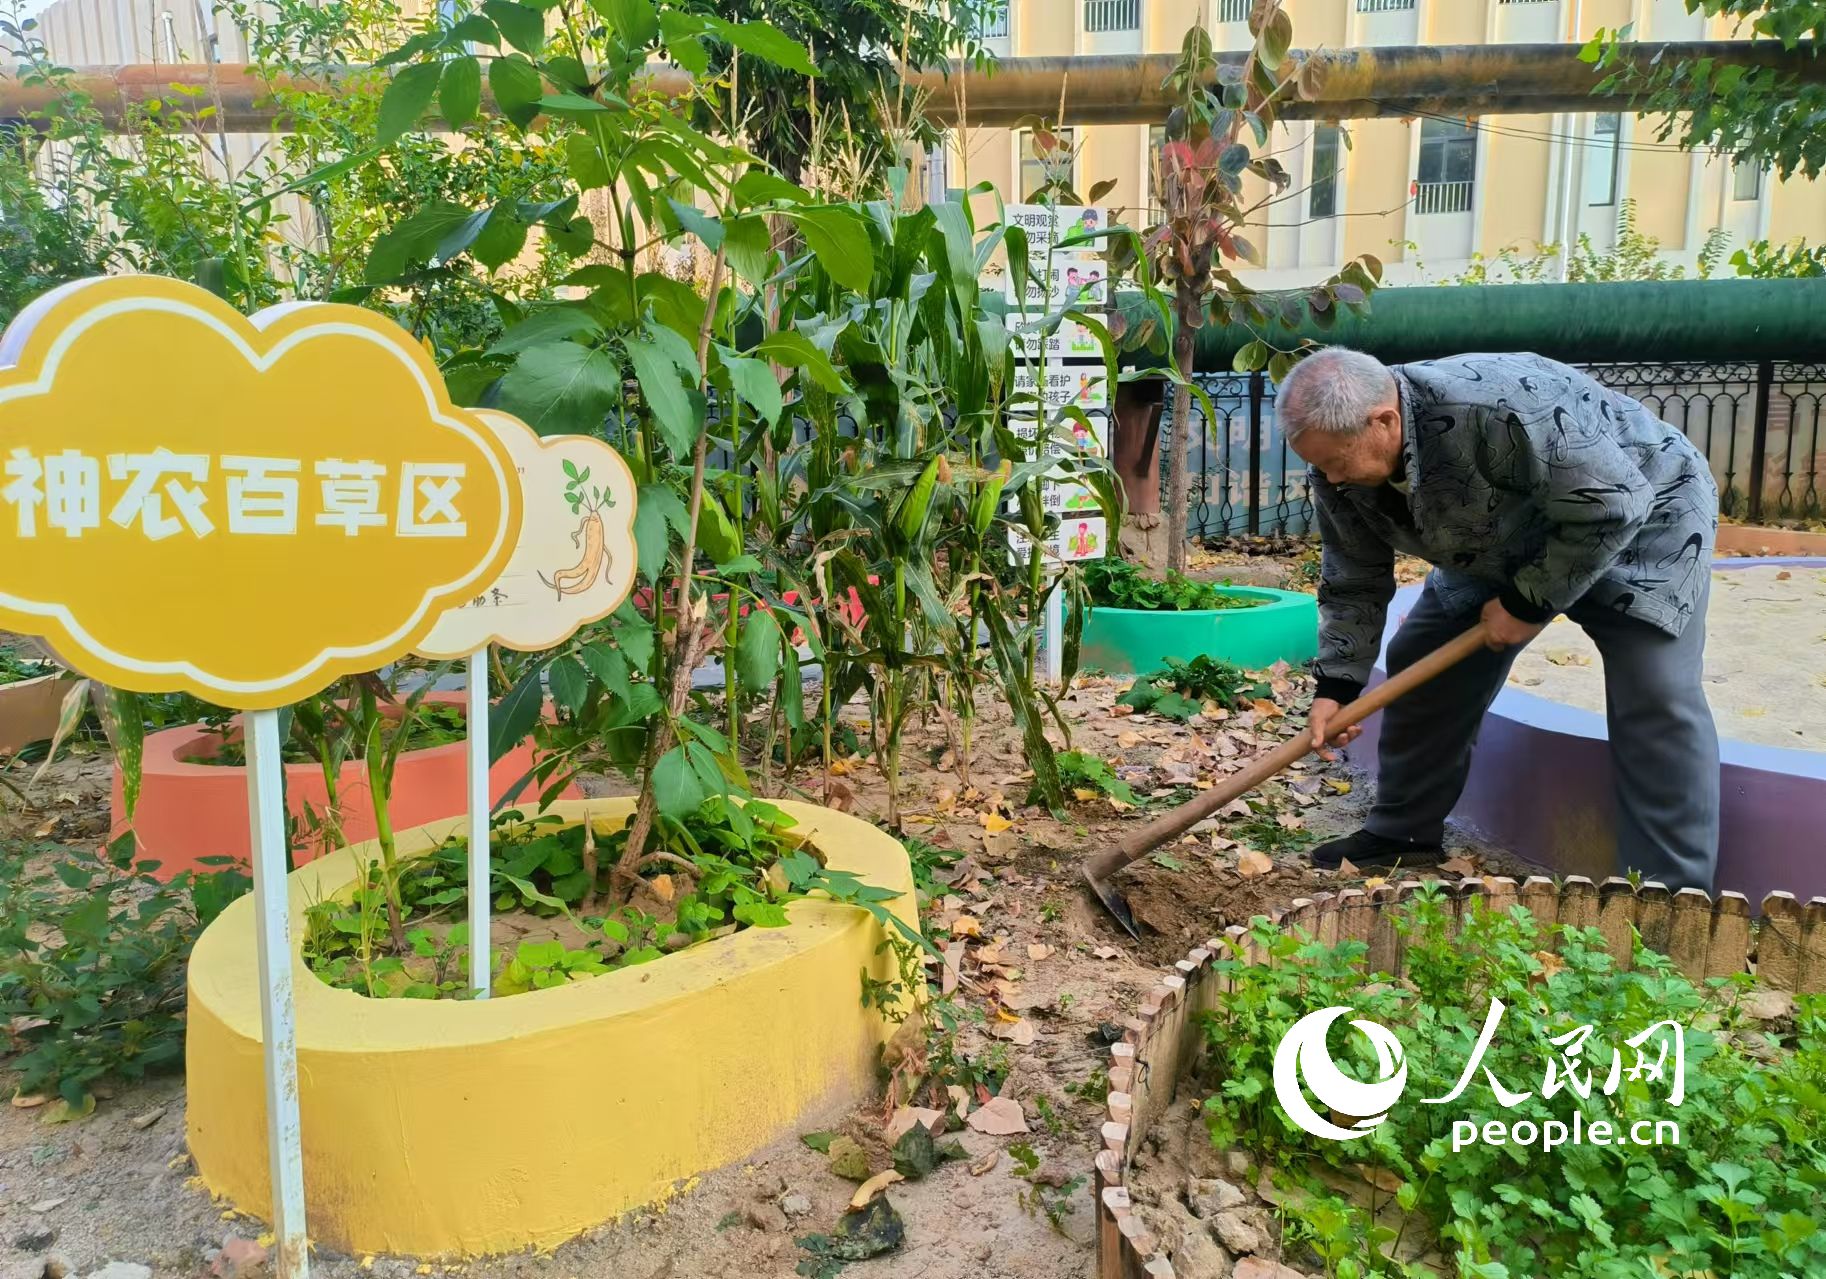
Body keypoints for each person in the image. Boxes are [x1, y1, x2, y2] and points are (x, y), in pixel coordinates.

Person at [1280, 347, 1720, 891]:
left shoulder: (1501, 408)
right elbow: (1354, 578)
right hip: (1496, 531)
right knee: (1423, 656)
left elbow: (1614, 504)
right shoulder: (1337, 470)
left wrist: (1529, 603)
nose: (1329, 477)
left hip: (1646, 516)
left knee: (1656, 693)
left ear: (1384, 421)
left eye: (1337, 461)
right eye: (1318, 463)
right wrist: (1337, 685)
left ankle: (1672, 891)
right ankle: (1404, 834)